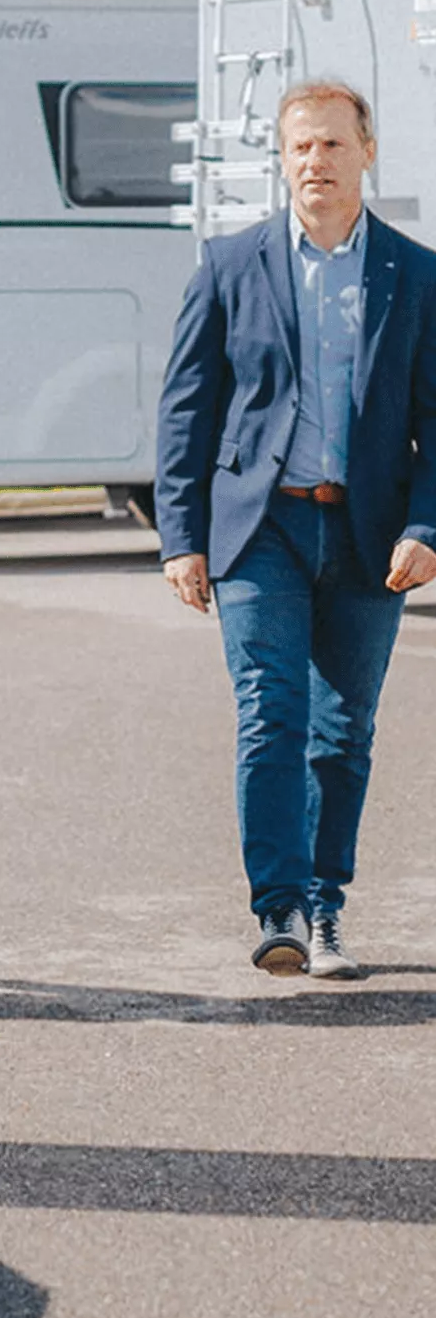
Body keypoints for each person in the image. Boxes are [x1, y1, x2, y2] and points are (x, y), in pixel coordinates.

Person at [155, 79, 436, 979]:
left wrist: (426, 523)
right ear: (282, 160)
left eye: (330, 145)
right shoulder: (230, 264)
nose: (314, 162)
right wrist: (179, 536)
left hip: (366, 534)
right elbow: (186, 410)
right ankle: (276, 906)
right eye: (298, 148)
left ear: (367, 152)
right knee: (268, 716)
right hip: (257, 529)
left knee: (342, 731)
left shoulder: (415, 272)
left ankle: (325, 909)